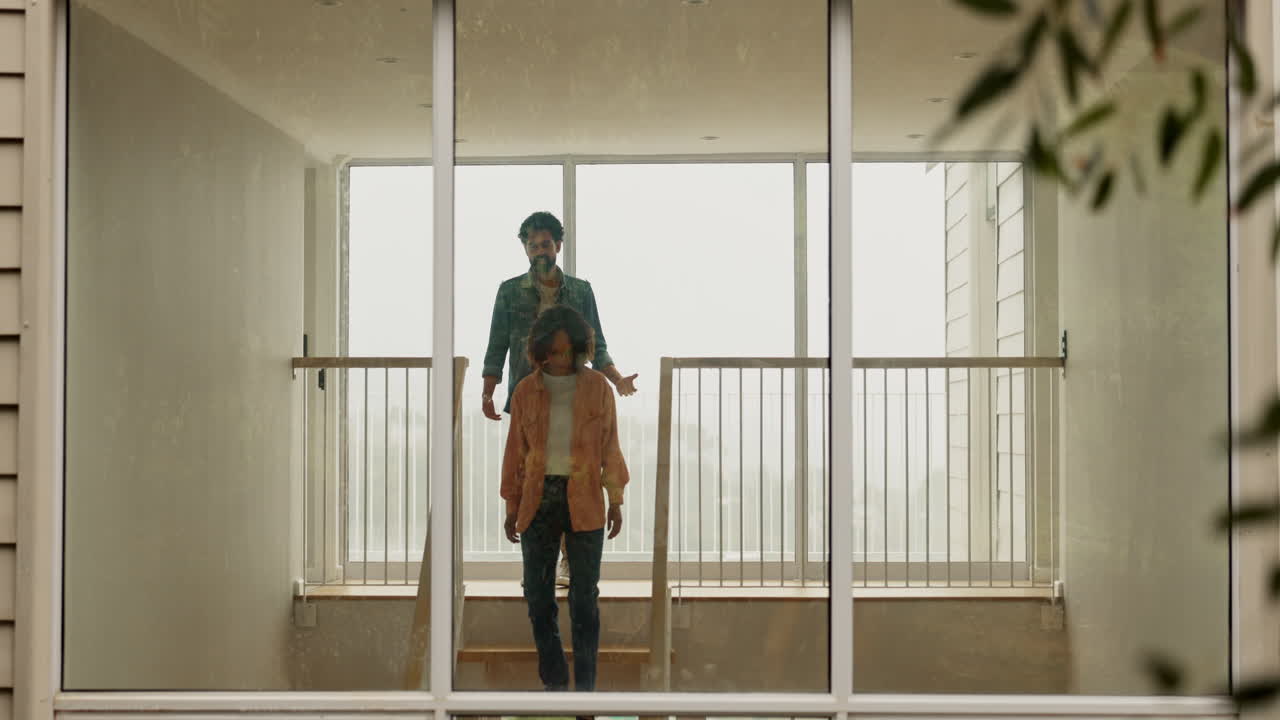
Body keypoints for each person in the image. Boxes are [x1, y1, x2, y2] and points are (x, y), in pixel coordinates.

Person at [483, 210, 637, 585]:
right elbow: (497, 343)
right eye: (533, 245)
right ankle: (540, 562)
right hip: (530, 395)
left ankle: (569, 559)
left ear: (558, 246)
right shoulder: (509, 291)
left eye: (546, 244)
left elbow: (596, 342)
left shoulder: (581, 291)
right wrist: (489, 389)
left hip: (575, 394)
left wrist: (616, 379)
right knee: (530, 473)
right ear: (525, 249)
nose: (540, 251)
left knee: (573, 476)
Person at [500, 305, 629, 692]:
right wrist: (511, 505)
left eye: (568, 351)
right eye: (553, 352)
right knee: (537, 593)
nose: (560, 359)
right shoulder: (526, 390)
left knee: (584, 598)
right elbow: (515, 452)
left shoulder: (598, 388)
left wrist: (616, 499)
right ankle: (555, 684)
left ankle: (585, 693)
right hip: (537, 497)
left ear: (580, 349)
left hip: (585, 497)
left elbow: (610, 446)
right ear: (540, 350)